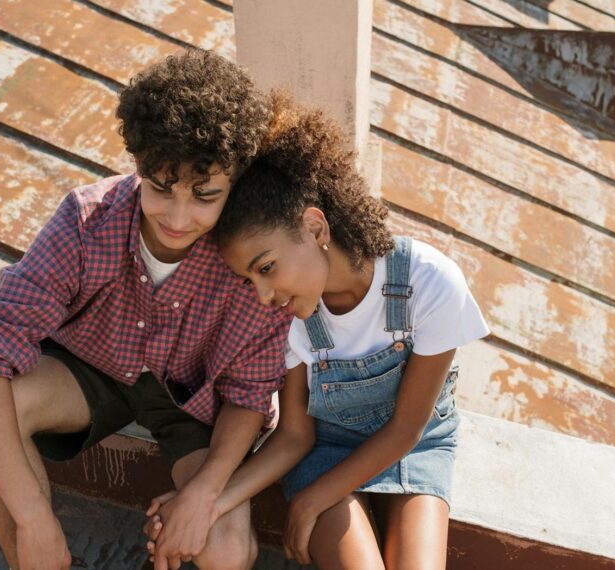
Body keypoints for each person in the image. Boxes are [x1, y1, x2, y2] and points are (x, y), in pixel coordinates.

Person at [0, 48, 291, 570]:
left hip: (194, 406)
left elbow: (248, 396)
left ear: (234, 181)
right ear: (138, 165)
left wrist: (204, 495)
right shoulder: (88, 219)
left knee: (225, 548)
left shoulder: (254, 253)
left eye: (205, 195)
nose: (177, 215)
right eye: (159, 187)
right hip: (89, 369)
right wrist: (35, 519)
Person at [151, 101, 489, 568]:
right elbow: (294, 434)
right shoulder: (286, 320)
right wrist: (205, 503)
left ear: (315, 226)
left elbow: (408, 428)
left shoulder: (429, 283)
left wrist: (311, 503)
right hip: (326, 452)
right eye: (250, 280)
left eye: (266, 268)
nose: (264, 294)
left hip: (416, 445)